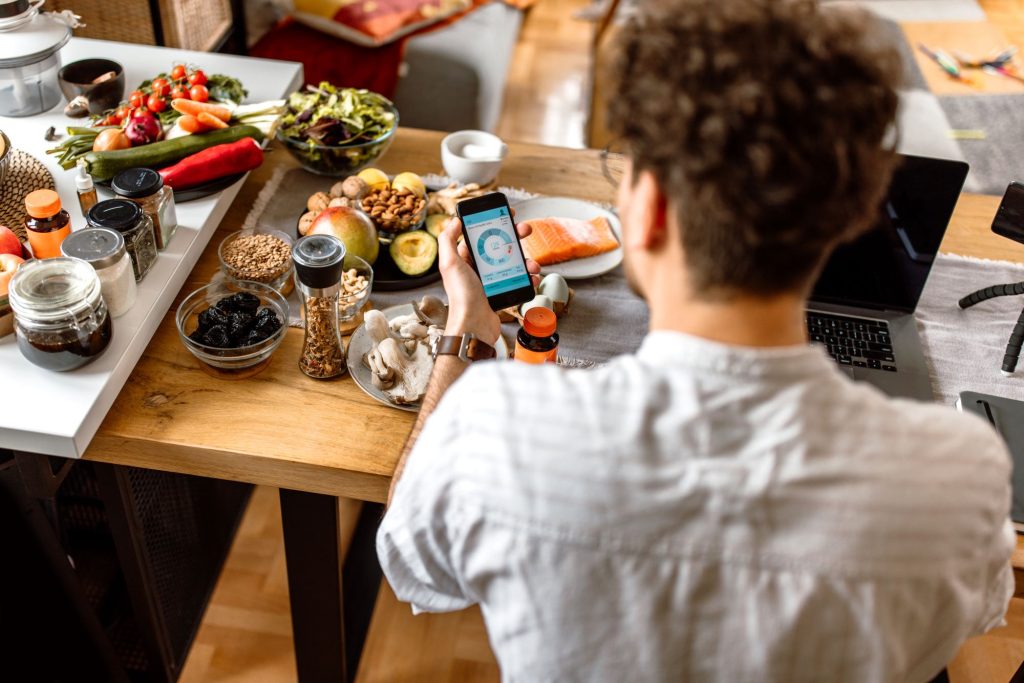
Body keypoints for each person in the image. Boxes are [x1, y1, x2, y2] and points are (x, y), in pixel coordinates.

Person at [376, 0, 1015, 680]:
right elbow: (972, 612)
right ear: (846, 223)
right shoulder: (961, 477)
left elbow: (410, 563)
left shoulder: (494, 429)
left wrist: (466, 332)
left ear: (647, 211)